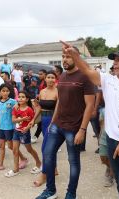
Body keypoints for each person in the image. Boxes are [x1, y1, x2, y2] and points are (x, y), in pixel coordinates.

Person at [61, 41, 119, 199]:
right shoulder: (108, 80)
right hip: (111, 139)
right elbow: (87, 69)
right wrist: (74, 54)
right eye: (114, 60)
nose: (115, 63)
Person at [36, 45, 95, 199]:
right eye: (63, 56)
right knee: (47, 155)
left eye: (68, 56)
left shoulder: (85, 76)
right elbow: (60, 101)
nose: (64, 59)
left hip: (74, 128)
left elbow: (90, 105)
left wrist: (82, 130)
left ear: (76, 57)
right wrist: (52, 122)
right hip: (57, 125)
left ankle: (71, 193)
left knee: (73, 162)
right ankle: (51, 190)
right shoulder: (61, 77)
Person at [0, 84, 28, 172]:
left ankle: (23, 159)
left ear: (9, 92)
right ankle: (0, 164)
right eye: (3, 91)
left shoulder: (13, 101)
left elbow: (19, 110)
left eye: (7, 91)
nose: (5, 92)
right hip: (1, 128)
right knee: (1, 145)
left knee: (11, 147)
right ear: (0, 92)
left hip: (10, 128)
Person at [30, 70, 58, 187]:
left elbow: (58, 109)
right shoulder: (42, 91)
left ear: (55, 79)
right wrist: (33, 119)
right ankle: (54, 168)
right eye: (49, 77)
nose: (51, 79)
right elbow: (40, 108)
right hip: (44, 121)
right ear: (45, 79)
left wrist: (53, 122)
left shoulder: (58, 92)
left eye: (53, 77)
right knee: (50, 147)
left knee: (45, 148)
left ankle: (44, 174)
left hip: (53, 121)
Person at [4, 91, 41, 177]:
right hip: (17, 132)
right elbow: (13, 120)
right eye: (19, 96)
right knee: (15, 150)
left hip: (25, 133)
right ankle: (16, 169)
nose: (20, 98)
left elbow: (32, 123)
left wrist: (27, 128)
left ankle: (39, 163)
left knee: (29, 149)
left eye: (23, 97)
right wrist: (22, 119)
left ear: (27, 99)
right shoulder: (15, 108)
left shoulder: (29, 110)